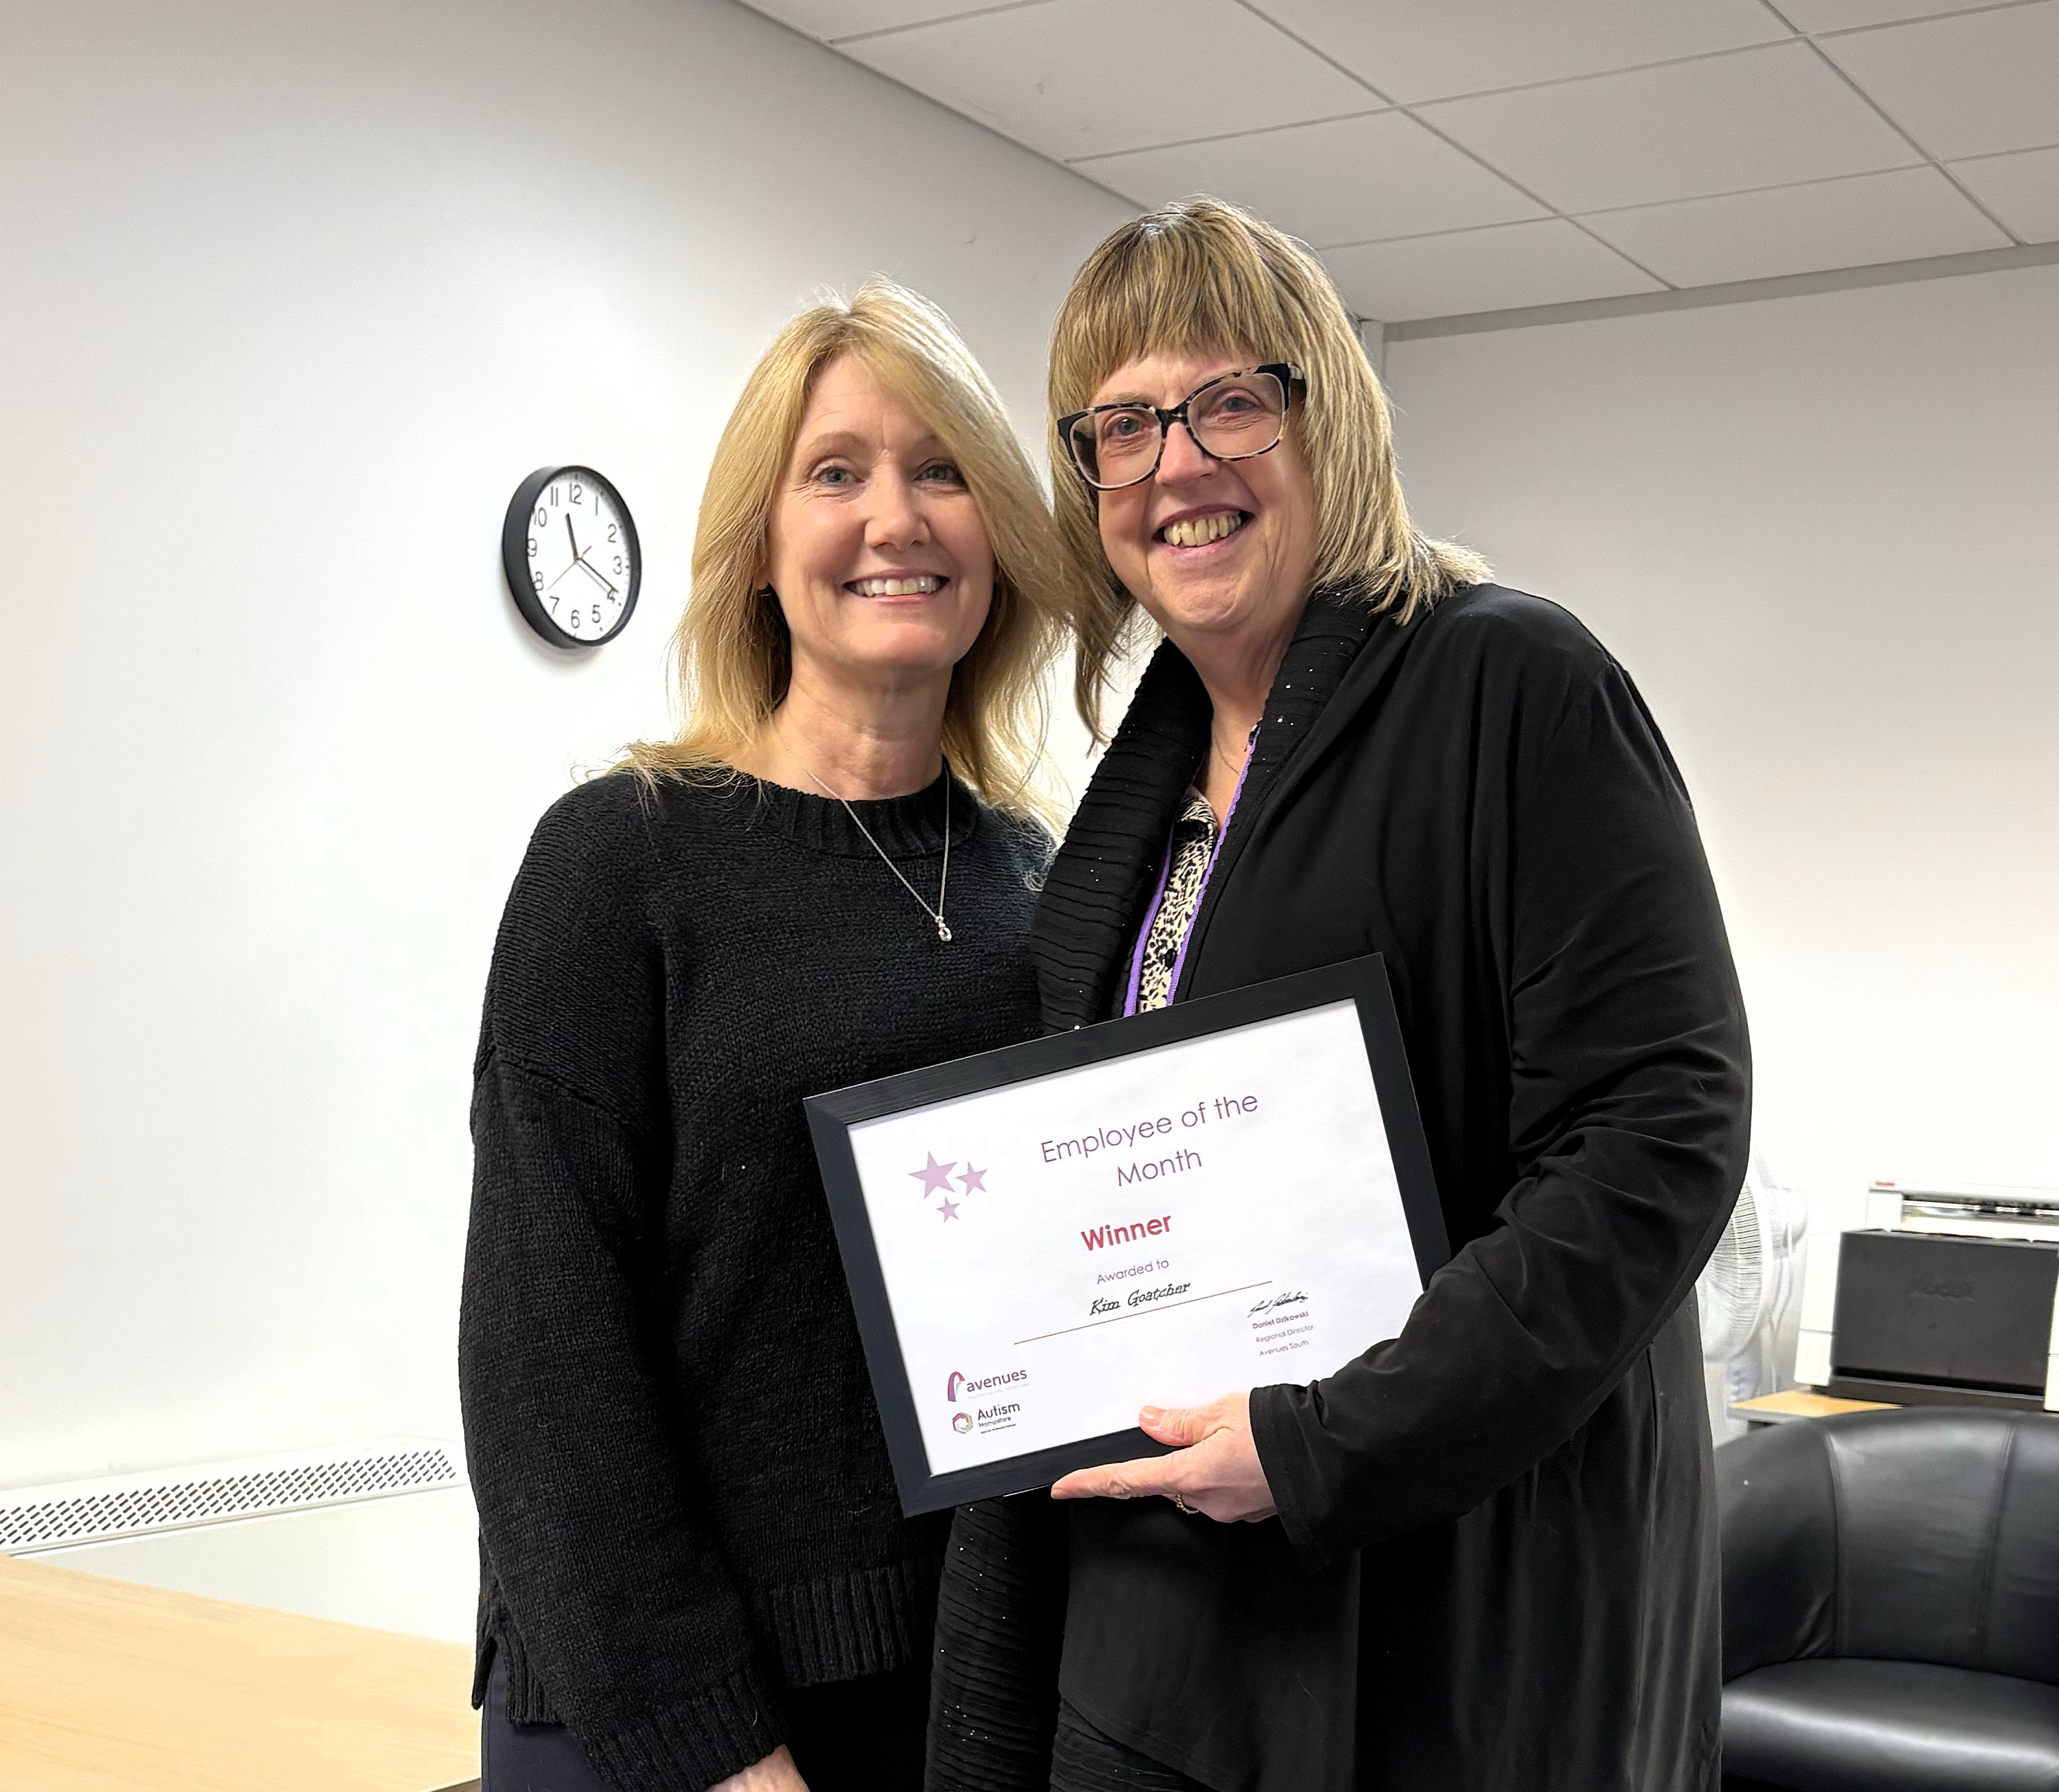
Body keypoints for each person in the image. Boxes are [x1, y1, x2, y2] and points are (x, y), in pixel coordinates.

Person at [924, 199, 1751, 1791]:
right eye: (1120, 427)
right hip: (1176, 1635)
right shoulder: (1134, 791)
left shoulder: (1511, 686)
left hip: (1450, 1628)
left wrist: (1324, 1444)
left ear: (1331, 418)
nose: (1177, 463)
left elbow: (1659, 1133)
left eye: (1229, 400)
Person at [460, 280, 1070, 1792]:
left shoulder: (1042, 881)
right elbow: (543, 1348)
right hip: (662, 1713)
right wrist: (714, 1749)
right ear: (758, 546)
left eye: (942, 471)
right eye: (837, 471)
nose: (897, 518)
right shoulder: (622, 859)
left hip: (959, 1686)